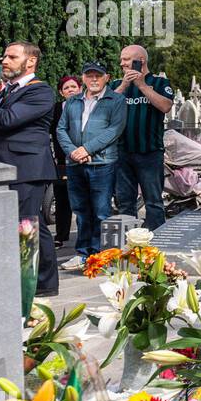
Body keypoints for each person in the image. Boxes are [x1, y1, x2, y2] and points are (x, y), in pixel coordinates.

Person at [0, 42, 59, 296]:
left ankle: (41, 283)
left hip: (27, 167)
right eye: (4, 56)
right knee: (24, 223)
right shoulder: (8, 90)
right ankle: (28, 279)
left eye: (12, 56)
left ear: (31, 62)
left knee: (28, 224)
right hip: (6, 165)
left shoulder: (39, 91)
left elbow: (7, 120)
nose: (5, 60)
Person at [56, 63, 127, 271]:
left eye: (98, 76)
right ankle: (82, 253)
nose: (94, 79)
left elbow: (114, 130)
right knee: (81, 210)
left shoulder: (116, 100)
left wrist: (86, 149)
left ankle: (98, 254)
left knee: (101, 211)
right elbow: (61, 129)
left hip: (102, 163)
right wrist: (73, 152)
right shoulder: (73, 101)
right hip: (75, 163)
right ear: (83, 78)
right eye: (89, 76)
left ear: (107, 77)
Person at [114, 44, 173, 232]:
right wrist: (125, 85)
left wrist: (141, 85)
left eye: (126, 59)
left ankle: (157, 245)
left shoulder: (160, 83)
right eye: (121, 59)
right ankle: (128, 247)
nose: (121, 62)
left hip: (150, 153)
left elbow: (165, 106)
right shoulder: (117, 84)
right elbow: (103, 109)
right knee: (125, 203)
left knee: (154, 202)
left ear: (141, 61)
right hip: (123, 153)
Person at [51, 75, 81, 247]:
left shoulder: (88, 107)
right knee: (62, 199)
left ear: (80, 89)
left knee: (83, 201)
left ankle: (85, 237)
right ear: (61, 93)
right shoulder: (55, 109)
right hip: (62, 161)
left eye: (73, 87)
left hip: (85, 159)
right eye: (66, 88)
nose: (70, 90)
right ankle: (61, 236)